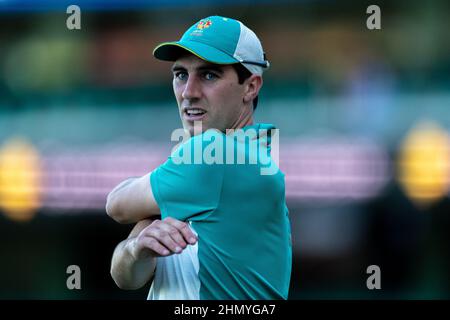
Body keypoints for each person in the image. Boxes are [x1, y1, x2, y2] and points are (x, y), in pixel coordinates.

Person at [106, 15, 292, 300]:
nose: (188, 93)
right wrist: (136, 248)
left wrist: (146, 210)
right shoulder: (238, 159)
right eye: (181, 75)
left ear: (251, 87)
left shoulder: (214, 155)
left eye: (209, 75)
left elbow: (116, 204)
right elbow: (126, 277)